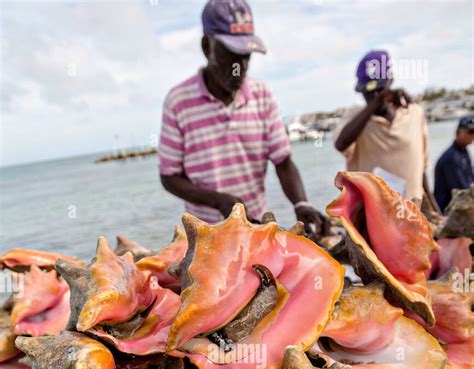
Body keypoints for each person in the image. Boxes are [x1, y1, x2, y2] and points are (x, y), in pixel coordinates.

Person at [159, 0, 327, 238]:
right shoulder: (178, 101)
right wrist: (218, 201)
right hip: (205, 234)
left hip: (254, 227)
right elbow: (169, 176)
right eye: (231, 55)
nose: (241, 66)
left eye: (246, 55)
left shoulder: (262, 95)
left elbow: (283, 160)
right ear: (207, 47)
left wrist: (301, 203)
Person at [334, 49, 439, 209]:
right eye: (368, 93)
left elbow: (420, 167)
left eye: (378, 91)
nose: (373, 96)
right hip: (373, 214)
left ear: (390, 81)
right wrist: (374, 104)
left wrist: (433, 205)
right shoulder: (356, 117)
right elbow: (341, 144)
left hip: (413, 211)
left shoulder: (415, 113)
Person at [434, 115, 474, 212]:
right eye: (470, 132)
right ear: (457, 132)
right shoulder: (451, 157)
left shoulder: (463, 152)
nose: (472, 135)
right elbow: (461, 190)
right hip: (448, 211)